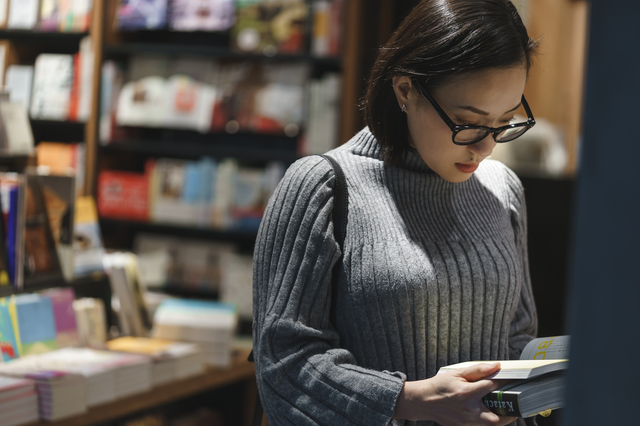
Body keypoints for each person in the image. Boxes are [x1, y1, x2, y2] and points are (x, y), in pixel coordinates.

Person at [252, 1, 540, 425]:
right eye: (468, 122)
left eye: (504, 122)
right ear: (405, 89)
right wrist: (406, 399)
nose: (486, 146)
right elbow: (283, 362)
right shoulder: (324, 187)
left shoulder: (502, 189)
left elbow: (519, 339)